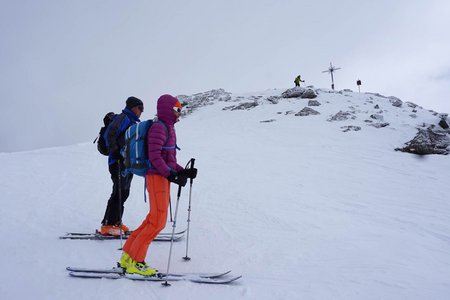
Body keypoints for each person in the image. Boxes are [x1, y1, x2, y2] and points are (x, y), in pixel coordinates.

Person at [118, 94, 197, 276]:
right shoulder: (159, 128)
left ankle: (128, 256)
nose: (179, 113)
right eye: (177, 110)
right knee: (157, 222)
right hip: (156, 177)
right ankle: (136, 263)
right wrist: (171, 174)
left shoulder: (168, 128)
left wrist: (182, 171)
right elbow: (155, 157)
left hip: (161, 177)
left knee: (152, 219)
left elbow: (168, 158)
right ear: (168, 110)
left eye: (180, 110)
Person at [100, 96, 144, 236]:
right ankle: (108, 224)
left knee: (124, 192)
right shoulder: (123, 117)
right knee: (118, 191)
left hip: (126, 164)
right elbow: (111, 134)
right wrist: (116, 153)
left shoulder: (132, 121)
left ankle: (116, 221)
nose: (141, 111)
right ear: (133, 107)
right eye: (140, 108)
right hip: (117, 162)